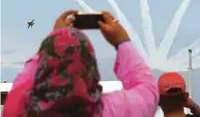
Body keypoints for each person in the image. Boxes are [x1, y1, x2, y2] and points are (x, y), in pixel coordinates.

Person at [2, 10, 159, 117]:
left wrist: (54, 42)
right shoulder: (114, 109)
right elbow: (147, 90)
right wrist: (122, 42)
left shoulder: (19, 107)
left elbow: (23, 81)